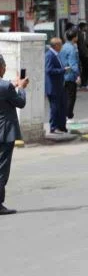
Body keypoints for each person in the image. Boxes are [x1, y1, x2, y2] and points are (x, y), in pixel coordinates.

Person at [0, 56, 27, 215]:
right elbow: (20, 103)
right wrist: (21, 88)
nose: (5, 69)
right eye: (4, 66)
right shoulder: (5, 87)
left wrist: (14, 84)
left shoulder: (6, 86)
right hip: (5, 132)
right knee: (2, 169)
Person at [45, 37, 67, 134]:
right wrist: (63, 70)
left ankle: (61, 126)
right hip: (53, 87)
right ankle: (53, 127)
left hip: (58, 86)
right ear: (56, 45)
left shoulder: (56, 54)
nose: (62, 46)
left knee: (61, 106)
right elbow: (49, 70)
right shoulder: (50, 55)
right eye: (61, 44)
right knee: (54, 108)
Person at [60, 29, 80, 123]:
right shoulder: (72, 48)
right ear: (74, 37)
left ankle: (64, 115)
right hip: (70, 76)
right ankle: (69, 116)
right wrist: (77, 76)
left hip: (62, 75)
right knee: (71, 97)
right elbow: (73, 64)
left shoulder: (62, 47)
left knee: (64, 97)